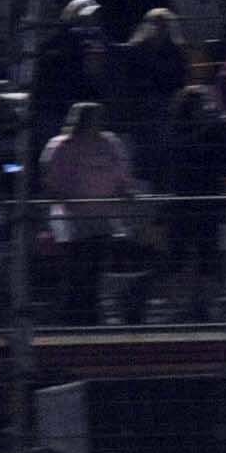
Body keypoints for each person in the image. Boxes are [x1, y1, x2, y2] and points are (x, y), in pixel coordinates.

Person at [39, 101, 144, 325]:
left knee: (97, 267)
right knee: (76, 269)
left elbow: (121, 172)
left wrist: (126, 191)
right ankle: (72, 315)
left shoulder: (110, 143)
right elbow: (52, 179)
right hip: (72, 220)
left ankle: (91, 314)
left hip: (102, 218)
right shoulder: (62, 146)